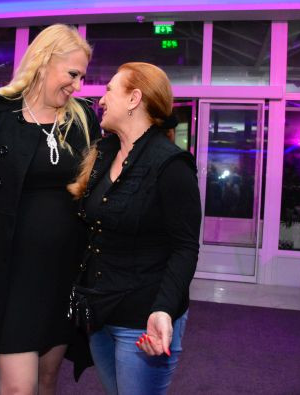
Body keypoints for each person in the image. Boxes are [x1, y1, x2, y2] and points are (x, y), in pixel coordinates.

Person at [0, 24, 100, 393]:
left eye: (82, 77)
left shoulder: (82, 119)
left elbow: (98, 190)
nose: (78, 85)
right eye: (73, 74)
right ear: (45, 61)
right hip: (10, 273)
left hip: (64, 271)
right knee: (18, 387)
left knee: (47, 380)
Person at [67, 62, 202, 395]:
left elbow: (185, 247)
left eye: (109, 90)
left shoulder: (171, 165)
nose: (101, 99)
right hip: (99, 313)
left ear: (134, 99)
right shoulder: (103, 155)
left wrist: (163, 309)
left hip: (143, 319)